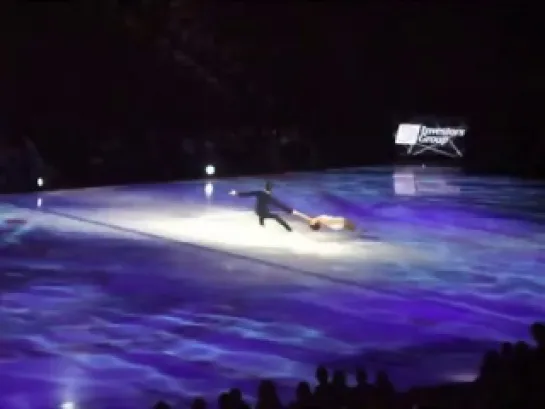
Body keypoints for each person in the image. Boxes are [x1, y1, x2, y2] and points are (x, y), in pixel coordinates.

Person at [230, 181, 298, 232]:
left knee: (263, 212)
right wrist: (291, 211)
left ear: (265, 188)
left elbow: (248, 194)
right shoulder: (270, 197)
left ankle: (261, 226)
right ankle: (289, 230)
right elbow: (280, 205)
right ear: (271, 189)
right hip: (263, 212)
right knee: (276, 216)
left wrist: (236, 193)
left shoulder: (259, 193)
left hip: (257, 211)